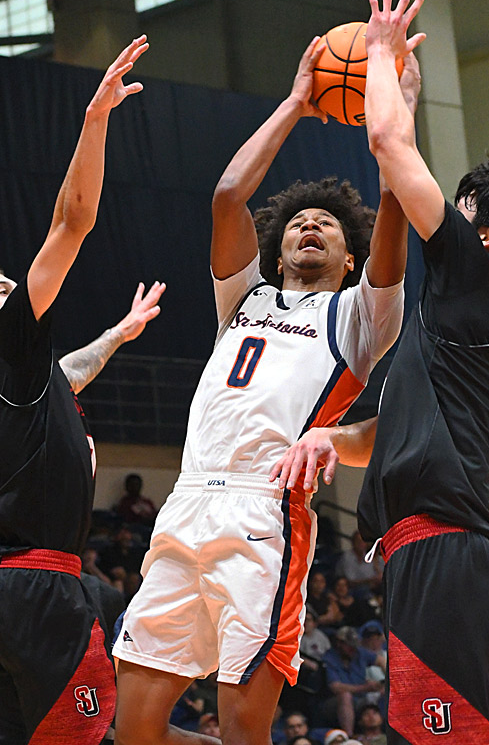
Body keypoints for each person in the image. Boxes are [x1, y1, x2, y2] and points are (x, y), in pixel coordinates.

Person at [272, 0, 489, 745]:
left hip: (446, 555)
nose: (441, 209)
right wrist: (330, 439)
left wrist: (382, 57)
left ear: (482, 237)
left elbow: (386, 145)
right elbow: (396, 428)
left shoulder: (476, 281)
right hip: (439, 555)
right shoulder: (465, 317)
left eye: (461, 207)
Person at [113, 37, 409, 745]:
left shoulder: (360, 317)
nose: (312, 225)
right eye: (302, 222)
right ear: (276, 251)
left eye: (330, 226)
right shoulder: (242, 299)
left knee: (246, 730)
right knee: (135, 732)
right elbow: (227, 196)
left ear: (349, 259)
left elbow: (397, 204)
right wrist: (298, 102)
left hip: (265, 514)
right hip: (184, 504)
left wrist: (400, 108)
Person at [0, 37, 163, 745]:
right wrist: (94, 120)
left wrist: (121, 333)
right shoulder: (12, 345)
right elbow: (72, 223)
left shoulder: (29, 381)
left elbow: (72, 371)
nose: (9, 285)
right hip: (39, 590)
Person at [322, 627, 385, 735]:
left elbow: (381, 661)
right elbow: (335, 687)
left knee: (385, 693)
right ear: (339, 643)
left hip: (362, 698)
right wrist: (365, 687)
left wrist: (387, 683)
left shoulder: (359, 652)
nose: (353, 649)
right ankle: (349, 736)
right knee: (345, 696)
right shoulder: (330, 658)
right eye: (349, 646)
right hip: (334, 702)